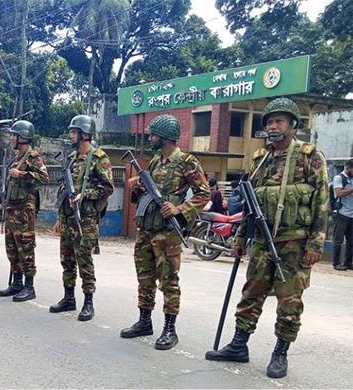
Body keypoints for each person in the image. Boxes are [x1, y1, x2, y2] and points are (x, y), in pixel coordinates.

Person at [205, 97, 329, 379]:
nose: (273, 126)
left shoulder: (310, 157)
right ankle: (239, 345)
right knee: (251, 293)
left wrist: (316, 243)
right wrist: (239, 238)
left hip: (294, 242)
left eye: (279, 121)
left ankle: (280, 352)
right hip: (261, 240)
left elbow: (322, 202)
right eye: (269, 122)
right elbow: (249, 204)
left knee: (289, 300)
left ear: (292, 124)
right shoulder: (260, 160)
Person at [120, 114, 209, 350]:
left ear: (165, 137)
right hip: (147, 229)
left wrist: (180, 208)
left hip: (168, 232)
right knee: (145, 277)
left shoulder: (186, 162)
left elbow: (204, 193)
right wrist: (137, 186)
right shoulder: (157, 161)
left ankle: (170, 329)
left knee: (169, 281)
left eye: (153, 134)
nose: (150, 138)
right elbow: (147, 195)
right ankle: (144, 321)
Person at [50, 115, 114, 321]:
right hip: (68, 217)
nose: (71, 135)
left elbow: (108, 188)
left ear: (84, 134)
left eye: (74, 131)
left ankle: (88, 302)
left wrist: (85, 194)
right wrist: (60, 217)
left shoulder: (99, 158)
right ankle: (69, 298)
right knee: (66, 259)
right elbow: (63, 191)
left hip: (86, 219)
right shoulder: (71, 158)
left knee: (84, 260)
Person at [0, 120, 50, 302]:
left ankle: (29, 286)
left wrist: (23, 174)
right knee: (12, 248)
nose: (11, 138)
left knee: (25, 247)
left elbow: (44, 178)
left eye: (14, 135)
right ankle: (17, 282)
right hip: (12, 209)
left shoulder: (33, 157)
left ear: (23, 137)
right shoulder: (16, 158)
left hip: (24, 211)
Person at [332, 159, 353, 271]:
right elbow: (339, 193)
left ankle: (348, 262)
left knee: (351, 240)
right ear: (348, 168)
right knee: (338, 240)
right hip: (341, 213)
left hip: (351, 214)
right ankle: (336, 263)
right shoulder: (339, 178)